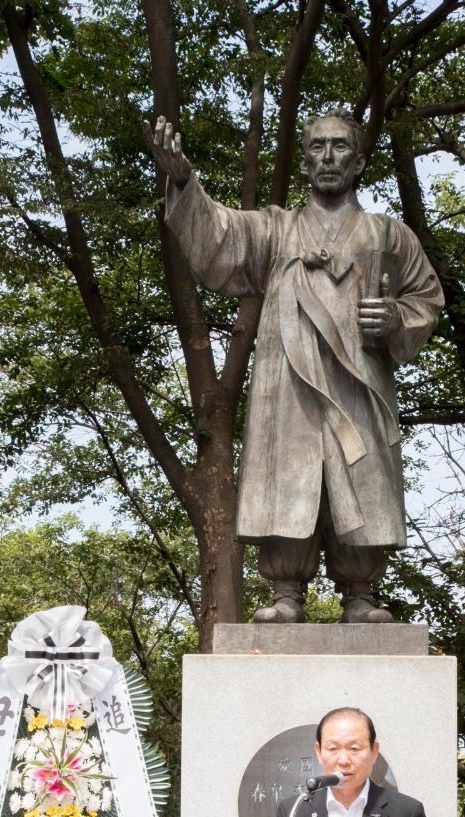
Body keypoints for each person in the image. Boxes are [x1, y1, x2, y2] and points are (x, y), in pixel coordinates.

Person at [145, 110, 444, 624]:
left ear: (360, 162)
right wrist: (182, 180)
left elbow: (427, 300)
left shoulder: (390, 236)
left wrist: (394, 318)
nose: (328, 157)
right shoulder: (276, 230)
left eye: (340, 148)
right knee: (290, 479)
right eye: (318, 147)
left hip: (359, 386)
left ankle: (360, 594)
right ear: (304, 161)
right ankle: (286, 592)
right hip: (288, 389)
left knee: (360, 477)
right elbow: (219, 236)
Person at [264, 706, 439, 817]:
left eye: (354, 749)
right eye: (333, 749)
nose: (344, 760)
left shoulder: (405, 813)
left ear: (374, 751)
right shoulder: (294, 810)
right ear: (319, 752)